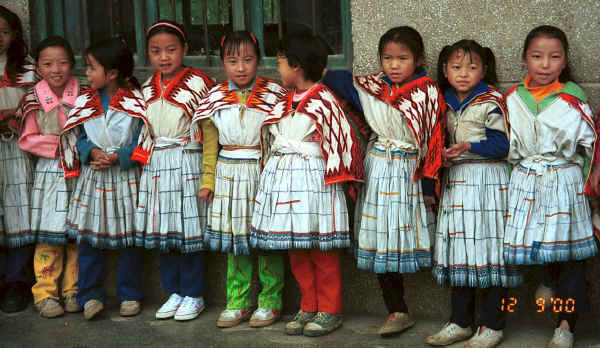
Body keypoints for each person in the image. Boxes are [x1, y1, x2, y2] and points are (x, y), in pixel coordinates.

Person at [322, 26, 444, 337]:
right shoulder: (373, 87)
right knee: (380, 238)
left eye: (402, 58)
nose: (393, 64)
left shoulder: (427, 91)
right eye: (387, 58)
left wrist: (429, 186)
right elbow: (338, 81)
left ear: (417, 60)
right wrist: (315, 64)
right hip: (378, 169)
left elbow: (433, 140)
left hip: (408, 173)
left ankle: (452, 312)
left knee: (403, 236)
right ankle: (396, 309)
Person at [250, 32, 363, 337]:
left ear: (297, 66)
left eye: (281, 61)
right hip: (286, 181)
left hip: (314, 181)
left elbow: (341, 139)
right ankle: (308, 304)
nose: (277, 68)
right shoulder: (285, 100)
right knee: (297, 248)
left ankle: (329, 308)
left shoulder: (323, 99)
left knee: (321, 249)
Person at [503, 25, 597, 348]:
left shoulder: (574, 98)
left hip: (564, 183)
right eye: (537, 56)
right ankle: (546, 285)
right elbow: (507, 147)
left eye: (554, 57)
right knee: (541, 250)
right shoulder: (513, 99)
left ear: (564, 60)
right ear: (524, 59)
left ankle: (566, 325)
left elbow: (592, 147)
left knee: (569, 255)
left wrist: (592, 176)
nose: (545, 64)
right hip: (526, 183)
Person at [425, 39, 521, 348]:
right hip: (456, 183)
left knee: (489, 252)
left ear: (484, 70)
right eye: (456, 67)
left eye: (472, 67)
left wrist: (468, 146)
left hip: (487, 185)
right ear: (444, 70)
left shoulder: (491, 101)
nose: (463, 73)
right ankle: (460, 321)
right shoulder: (441, 102)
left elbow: (503, 145)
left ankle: (492, 325)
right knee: (460, 252)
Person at [192, 31, 287, 328]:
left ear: (259, 60)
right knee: (236, 242)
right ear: (223, 63)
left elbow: (280, 137)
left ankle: (271, 301)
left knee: (266, 241)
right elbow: (210, 144)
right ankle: (238, 301)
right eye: (233, 61)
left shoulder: (275, 95)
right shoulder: (214, 98)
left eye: (247, 59)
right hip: (228, 173)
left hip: (263, 172)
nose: (241, 67)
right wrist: (208, 179)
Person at [132, 20, 218, 322]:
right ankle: (174, 292)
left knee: (189, 232)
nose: (163, 57)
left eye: (171, 49)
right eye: (156, 51)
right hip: (157, 164)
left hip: (187, 162)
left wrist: (208, 175)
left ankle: (194, 294)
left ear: (184, 49)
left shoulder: (199, 85)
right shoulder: (145, 88)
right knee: (165, 233)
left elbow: (209, 133)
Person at [60, 37, 148, 320]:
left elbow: (143, 138)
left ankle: (130, 294)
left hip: (125, 177)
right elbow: (78, 136)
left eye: (91, 67)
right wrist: (91, 151)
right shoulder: (85, 100)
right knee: (90, 238)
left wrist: (120, 156)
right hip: (94, 177)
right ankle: (90, 295)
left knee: (130, 239)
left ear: (111, 74)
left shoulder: (135, 101)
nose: (86, 73)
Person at [17, 36, 84, 318]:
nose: (57, 69)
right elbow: (27, 139)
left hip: (79, 170)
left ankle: (73, 290)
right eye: (48, 64)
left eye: (63, 62)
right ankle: (45, 293)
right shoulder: (33, 100)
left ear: (72, 64)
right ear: (39, 68)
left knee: (75, 234)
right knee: (49, 234)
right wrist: (59, 144)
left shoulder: (83, 95)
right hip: (50, 171)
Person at [0, 5, 36, 314]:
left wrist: (17, 117)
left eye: (4, 31)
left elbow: (40, 104)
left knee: (19, 211)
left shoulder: (27, 69)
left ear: (14, 35)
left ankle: (17, 282)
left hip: (17, 149)